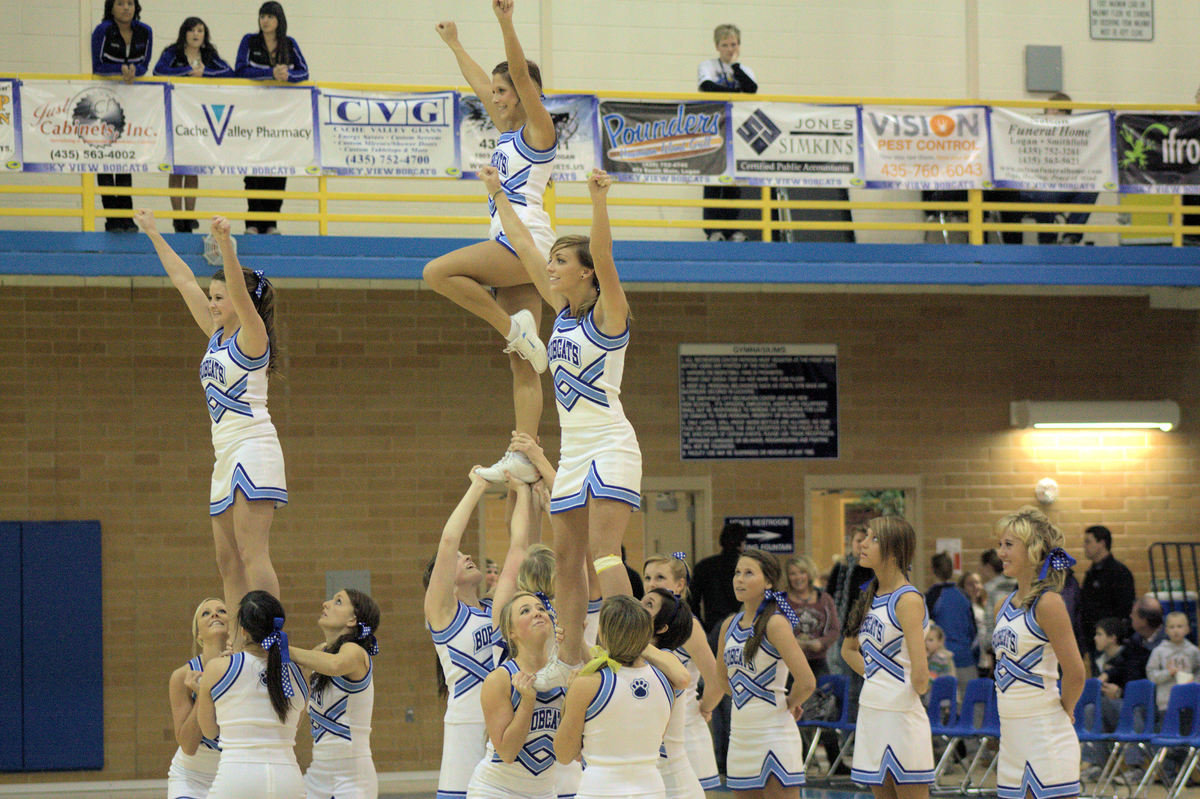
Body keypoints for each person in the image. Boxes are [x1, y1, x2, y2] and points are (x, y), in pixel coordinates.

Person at [481, 165, 641, 600]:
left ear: (585, 272)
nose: (550, 267)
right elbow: (524, 244)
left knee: (605, 553)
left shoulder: (609, 314)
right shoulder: (562, 312)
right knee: (567, 562)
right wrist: (497, 193)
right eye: (552, 260)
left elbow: (604, 256)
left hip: (608, 439)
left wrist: (599, 200)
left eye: (562, 261)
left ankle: (627, 646)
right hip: (572, 449)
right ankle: (568, 655)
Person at [429, 0, 558, 483]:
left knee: (437, 273)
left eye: (506, 91)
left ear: (527, 94)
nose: (497, 96)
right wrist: (455, 43)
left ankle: (510, 328)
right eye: (498, 90)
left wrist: (505, 22)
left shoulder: (539, 130)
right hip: (513, 243)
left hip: (524, 241)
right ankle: (524, 453)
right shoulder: (505, 130)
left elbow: (520, 77)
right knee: (524, 364)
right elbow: (482, 83)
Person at [135, 210, 285, 607]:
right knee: (227, 559)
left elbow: (238, 291)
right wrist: (153, 233)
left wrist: (225, 247)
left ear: (240, 301)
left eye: (219, 298)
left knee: (253, 552)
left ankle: (269, 636)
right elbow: (183, 280)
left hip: (254, 446)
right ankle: (239, 640)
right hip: (224, 453)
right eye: (212, 298)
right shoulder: (215, 334)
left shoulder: (253, 337)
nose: (213, 303)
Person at [555, 595, 690, 799]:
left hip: (600, 791)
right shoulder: (666, 681)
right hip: (652, 789)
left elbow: (564, 754)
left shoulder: (587, 683)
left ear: (602, 632)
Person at [993, 507, 1086, 799]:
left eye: (1009, 545)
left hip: (1046, 737)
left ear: (1032, 550)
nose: (1000, 552)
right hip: (1010, 740)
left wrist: (1065, 710)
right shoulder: (1002, 605)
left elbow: (1075, 672)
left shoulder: (1048, 603)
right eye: (1000, 544)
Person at [840, 516, 934, 795]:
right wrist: (875, 676)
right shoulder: (869, 595)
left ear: (894, 551)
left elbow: (920, 674)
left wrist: (899, 688)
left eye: (874, 539)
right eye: (865, 537)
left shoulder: (908, 600)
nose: (863, 544)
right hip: (872, 710)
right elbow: (848, 650)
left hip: (902, 714)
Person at [711, 548, 815, 795]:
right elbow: (722, 679)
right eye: (737, 572)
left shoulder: (776, 623)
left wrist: (788, 703)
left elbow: (807, 681)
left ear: (768, 581)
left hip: (774, 734)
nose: (739, 579)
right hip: (740, 737)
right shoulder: (728, 624)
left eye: (749, 573)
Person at [422, 469, 497, 799]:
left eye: (467, 554)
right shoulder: (443, 613)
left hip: (507, 720)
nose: (466, 556)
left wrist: (527, 494)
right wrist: (478, 486)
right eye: (457, 558)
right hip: (466, 725)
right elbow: (449, 540)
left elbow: (523, 551)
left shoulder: (495, 609)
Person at [196, 590, 308, 799]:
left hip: (237, 777)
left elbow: (209, 731)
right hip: (288, 779)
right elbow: (292, 725)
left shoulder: (218, 668)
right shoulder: (299, 674)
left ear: (244, 630)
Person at [643, 553, 725, 791]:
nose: (652, 583)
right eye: (647, 577)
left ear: (679, 585)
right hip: (651, 738)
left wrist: (704, 708)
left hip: (686, 736)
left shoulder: (690, 625)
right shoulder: (640, 623)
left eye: (660, 577)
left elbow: (716, 681)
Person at [289, 589, 381, 799]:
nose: (326, 604)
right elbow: (299, 705)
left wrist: (283, 648)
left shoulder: (355, 651)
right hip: (318, 773)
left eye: (338, 602)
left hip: (352, 778)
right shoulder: (319, 653)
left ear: (352, 620)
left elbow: (335, 664)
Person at [235, 2, 309, 234]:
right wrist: (269, 73)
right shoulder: (249, 41)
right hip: (253, 116)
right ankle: (253, 222)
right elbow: (239, 69)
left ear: (279, 19)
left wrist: (288, 75)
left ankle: (271, 221)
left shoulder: (290, 43)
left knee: (278, 167)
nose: (264, 20)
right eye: (262, 16)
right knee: (254, 167)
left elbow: (304, 72)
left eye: (269, 16)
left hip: (281, 118)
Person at [154, 18, 232, 233]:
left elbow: (230, 72)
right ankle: (177, 217)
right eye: (192, 30)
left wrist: (204, 73)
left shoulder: (209, 56)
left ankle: (190, 215)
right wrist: (187, 72)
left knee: (192, 166)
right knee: (176, 167)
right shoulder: (172, 52)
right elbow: (158, 71)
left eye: (200, 30)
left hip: (197, 116)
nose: (196, 34)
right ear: (184, 33)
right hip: (176, 116)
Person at [993, 94, 1097, 245]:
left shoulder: (1074, 133)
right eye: (1051, 111)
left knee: (1091, 188)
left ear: (1067, 115)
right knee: (1045, 194)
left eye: (1059, 112)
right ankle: (1047, 241)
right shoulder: (1031, 126)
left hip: (1061, 186)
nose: (1053, 114)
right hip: (1032, 186)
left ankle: (1071, 238)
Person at [91, 0, 152, 233]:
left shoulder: (145, 31)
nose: (126, 8)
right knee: (106, 157)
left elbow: (145, 64)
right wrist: (120, 71)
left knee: (126, 155)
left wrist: (135, 71)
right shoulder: (102, 30)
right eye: (120, 3)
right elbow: (97, 64)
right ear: (111, 7)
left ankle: (127, 216)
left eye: (130, 3)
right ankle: (112, 218)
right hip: (103, 99)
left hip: (131, 100)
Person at [696, 24, 758, 242]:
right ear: (717, 46)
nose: (729, 49)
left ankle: (731, 228)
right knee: (713, 179)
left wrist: (735, 66)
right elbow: (707, 87)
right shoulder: (708, 66)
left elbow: (751, 90)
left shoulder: (744, 69)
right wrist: (735, 93)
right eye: (725, 45)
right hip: (714, 129)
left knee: (734, 181)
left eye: (733, 44)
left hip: (737, 131)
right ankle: (713, 230)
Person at [642, 588, 706, 799]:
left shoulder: (668, 660)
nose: (638, 607)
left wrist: (636, 641)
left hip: (677, 788)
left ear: (661, 628)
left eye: (648, 605)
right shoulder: (632, 663)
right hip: (649, 784)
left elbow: (683, 678)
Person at [167, 597, 229, 799]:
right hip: (192, 777)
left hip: (234, 773)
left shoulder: (246, 666)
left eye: (222, 610)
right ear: (199, 635)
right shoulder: (181, 676)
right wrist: (203, 695)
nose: (214, 614)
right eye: (206, 613)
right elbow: (188, 745)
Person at [1079, 524, 1136, 659]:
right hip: (1093, 638)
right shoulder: (1091, 573)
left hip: (1111, 640)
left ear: (1102, 543)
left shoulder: (1119, 572)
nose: (1084, 546)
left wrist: (1112, 634)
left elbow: (1124, 609)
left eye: (1088, 542)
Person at [926, 553, 976, 694]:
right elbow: (973, 629)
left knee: (944, 710)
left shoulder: (932, 596)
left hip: (942, 663)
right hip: (966, 658)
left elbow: (927, 629)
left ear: (932, 570)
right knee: (971, 710)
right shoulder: (963, 595)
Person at [690, 522, 749, 633]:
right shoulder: (746, 568)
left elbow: (692, 602)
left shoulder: (704, 566)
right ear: (741, 543)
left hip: (712, 627)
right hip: (741, 626)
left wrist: (701, 627)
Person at [1146, 611, 1200, 714]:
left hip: (1190, 701)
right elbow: (1151, 674)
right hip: (1166, 703)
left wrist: (1194, 681)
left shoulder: (1193, 651)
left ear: (1187, 629)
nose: (1176, 630)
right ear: (1166, 630)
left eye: (1179, 626)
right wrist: (1168, 673)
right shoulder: (1159, 651)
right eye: (1172, 627)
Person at [959, 571, 991, 674]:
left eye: (978, 583)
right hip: (971, 658)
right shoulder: (963, 608)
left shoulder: (986, 606)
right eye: (970, 584)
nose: (975, 587)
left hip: (986, 657)